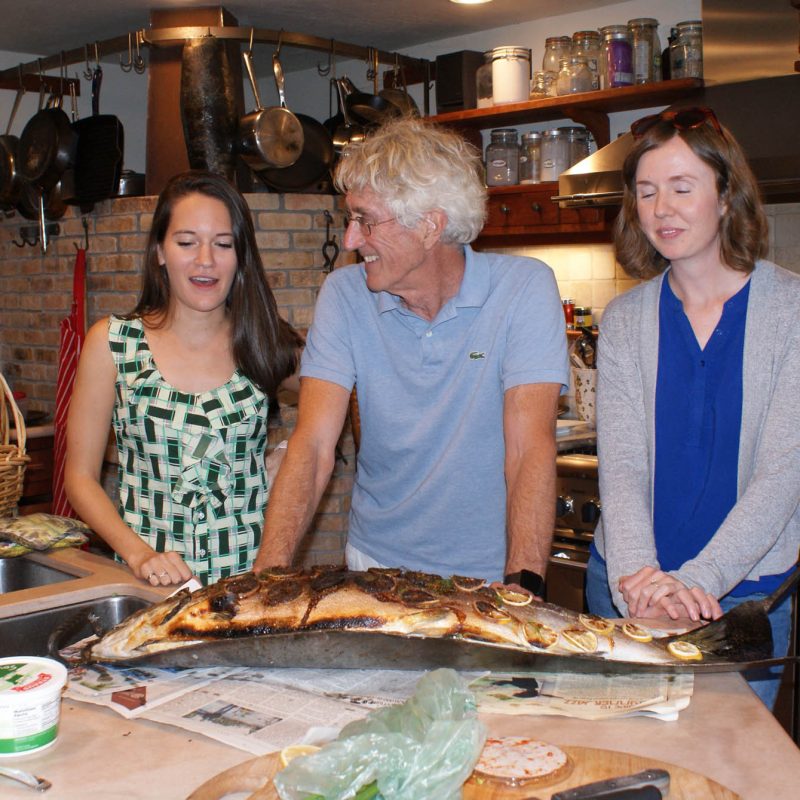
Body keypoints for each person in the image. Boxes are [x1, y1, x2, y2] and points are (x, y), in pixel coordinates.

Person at [253, 116, 568, 591]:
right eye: (350, 219)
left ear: (429, 226)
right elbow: (313, 446)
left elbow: (528, 450)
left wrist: (523, 585)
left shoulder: (523, 289)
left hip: (486, 576)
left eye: (365, 221)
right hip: (374, 567)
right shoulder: (344, 294)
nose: (350, 240)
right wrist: (265, 580)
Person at [587, 107, 800, 709]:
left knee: (730, 756)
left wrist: (695, 582)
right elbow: (622, 465)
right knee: (623, 752)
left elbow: (784, 473)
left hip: (740, 596)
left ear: (727, 195)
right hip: (628, 585)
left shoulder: (792, 312)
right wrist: (641, 581)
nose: (662, 209)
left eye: (682, 188)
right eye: (646, 192)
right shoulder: (625, 320)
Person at [65, 170, 300, 587]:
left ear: (240, 255)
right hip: (152, 585)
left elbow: (335, 399)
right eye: (187, 242)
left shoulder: (264, 339)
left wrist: (290, 454)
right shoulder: (113, 343)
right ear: (160, 250)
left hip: (248, 585)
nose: (205, 259)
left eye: (223, 244)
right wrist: (139, 555)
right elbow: (80, 478)